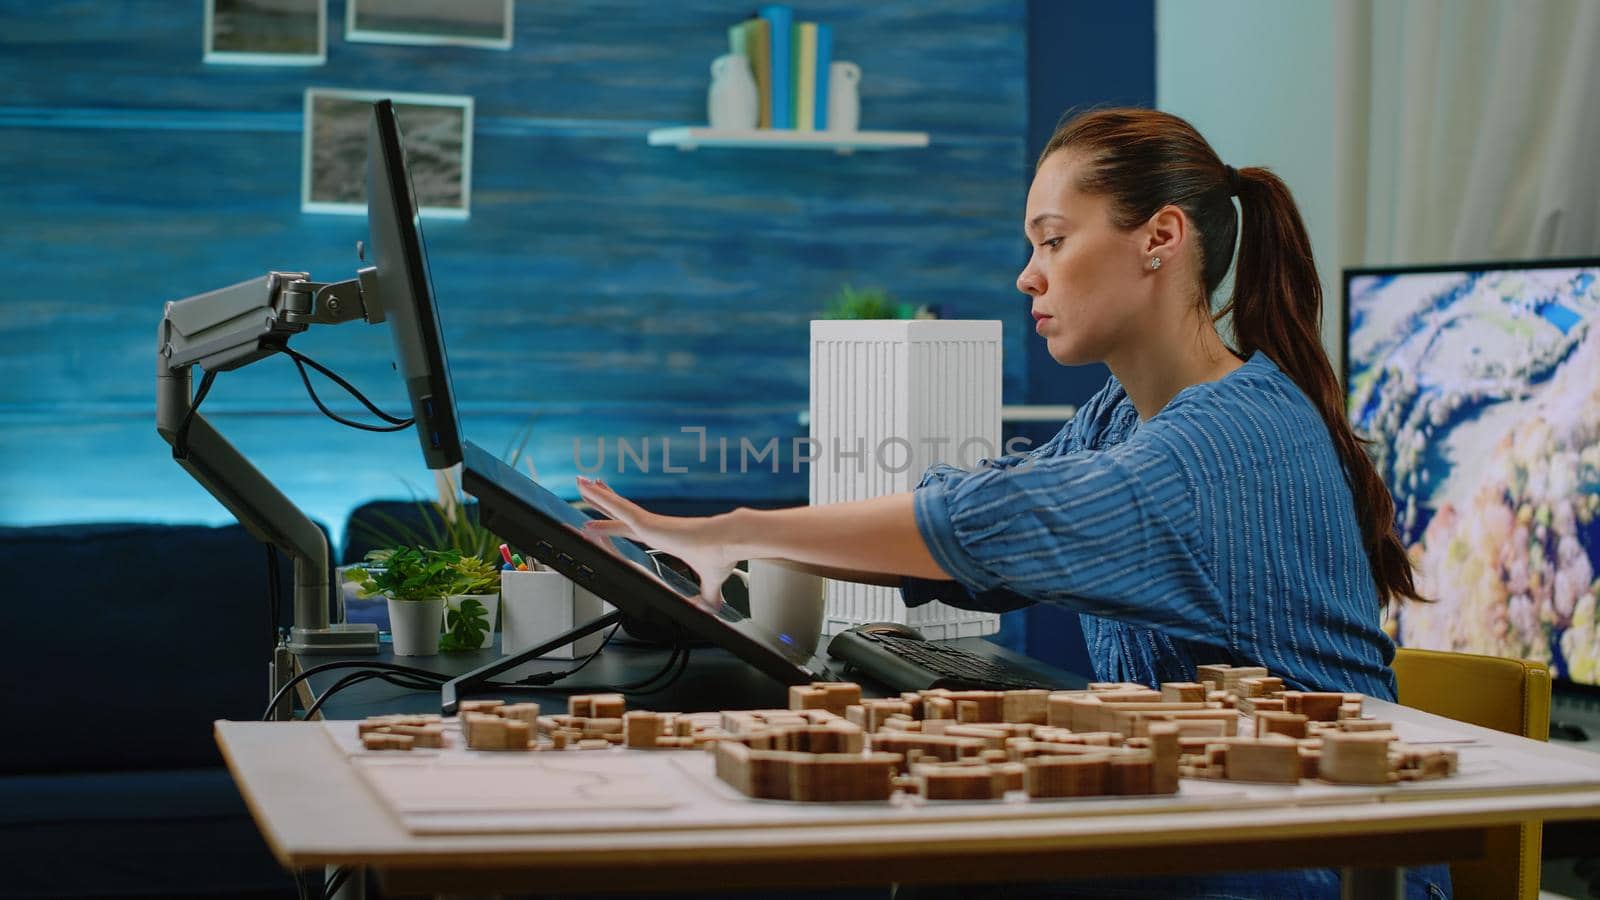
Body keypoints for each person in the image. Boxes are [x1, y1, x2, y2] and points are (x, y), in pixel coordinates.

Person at [575, 107, 1449, 899]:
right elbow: (981, 540)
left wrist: (733, 530)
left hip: (1327, 853)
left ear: (1161, 238)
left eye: (1053, 241)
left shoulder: (1221, 443)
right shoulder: (1124, 414)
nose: (1028, 276)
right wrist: (746, 550)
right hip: (1232, 816)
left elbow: (987, 527)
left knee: (948, 867)